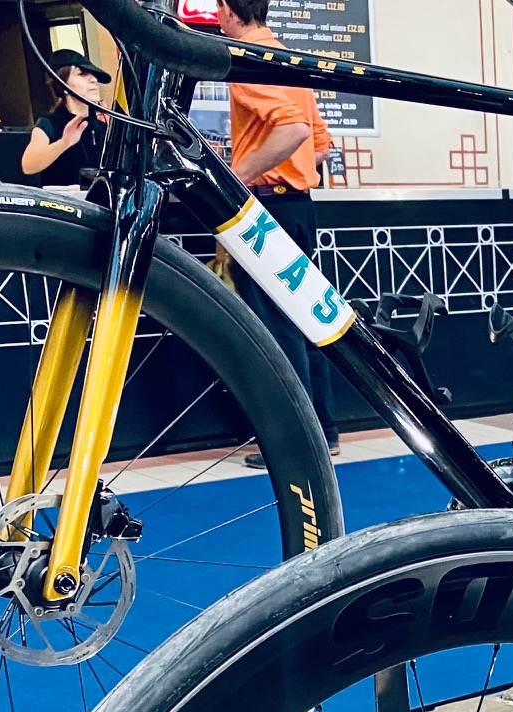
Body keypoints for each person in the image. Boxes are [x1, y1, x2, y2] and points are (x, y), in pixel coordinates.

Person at [217, 0, 340, 459]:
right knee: (304, 321)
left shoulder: (247, 59)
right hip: (299, 208)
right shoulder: (287, 58)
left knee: (276, 327)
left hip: (268, 208)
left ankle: (295, 444)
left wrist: (235, 177)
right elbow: (320, 143)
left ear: (227, 9)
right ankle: (323, 432)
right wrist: (289, 167)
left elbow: (294, 131)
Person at [19, 50, 109, 189]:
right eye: (82, 74)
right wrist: (64, 142)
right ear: (63, 86)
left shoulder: (102, 126)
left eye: (93, 75)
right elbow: (28, 165)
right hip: (62, 200)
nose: (93, 80)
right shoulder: (49, 123)